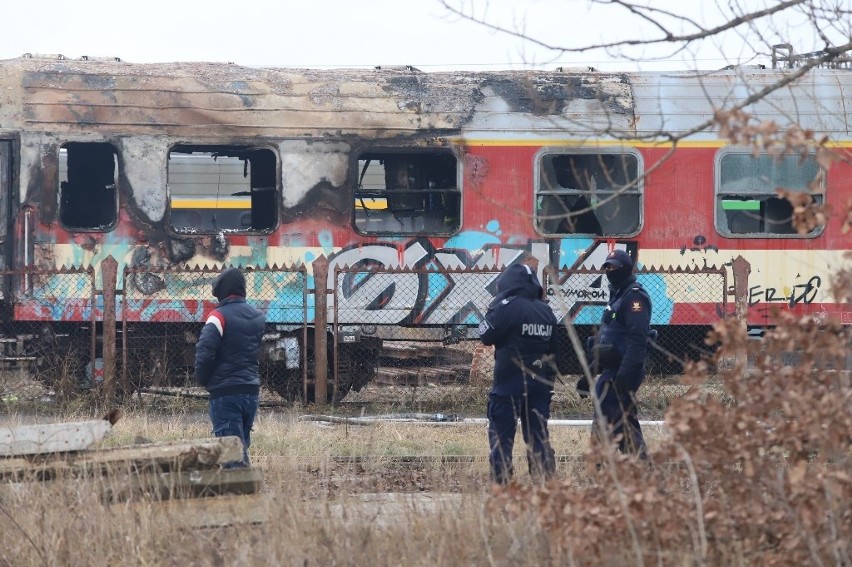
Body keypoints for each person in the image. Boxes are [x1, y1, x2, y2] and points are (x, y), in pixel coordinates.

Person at [479, 262, 558, 485]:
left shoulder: (505, 307)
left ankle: (502, 484)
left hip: (508, 385)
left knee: (501, 438)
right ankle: (545, 483)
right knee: (538, 437)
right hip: (539, 386)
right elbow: (554, 352)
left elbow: (485, 335)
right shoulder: (546, 310)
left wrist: (492, 308)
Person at [577, 249, 652, 457]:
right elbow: (607, 339)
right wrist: (590, 374)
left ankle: (600, 467)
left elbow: (637, 341)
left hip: (623, 371)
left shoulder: (634, 298)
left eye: (613, 267)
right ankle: (642, 470)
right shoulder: (617, 296)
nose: (609, 271)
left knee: (607, 418)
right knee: (624, 422)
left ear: (625, 268)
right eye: (607, 267)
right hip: (612, 369)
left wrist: (624, 379)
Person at [195, 267, 266, 467]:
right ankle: (244, 490)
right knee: (240, 447)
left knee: (232, 456)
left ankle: (241, 493)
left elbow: (205, 352)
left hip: (225, 393)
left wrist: (203, 379)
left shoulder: (218, 317)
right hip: (251, 392)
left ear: (222, 291)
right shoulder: (257, 317)